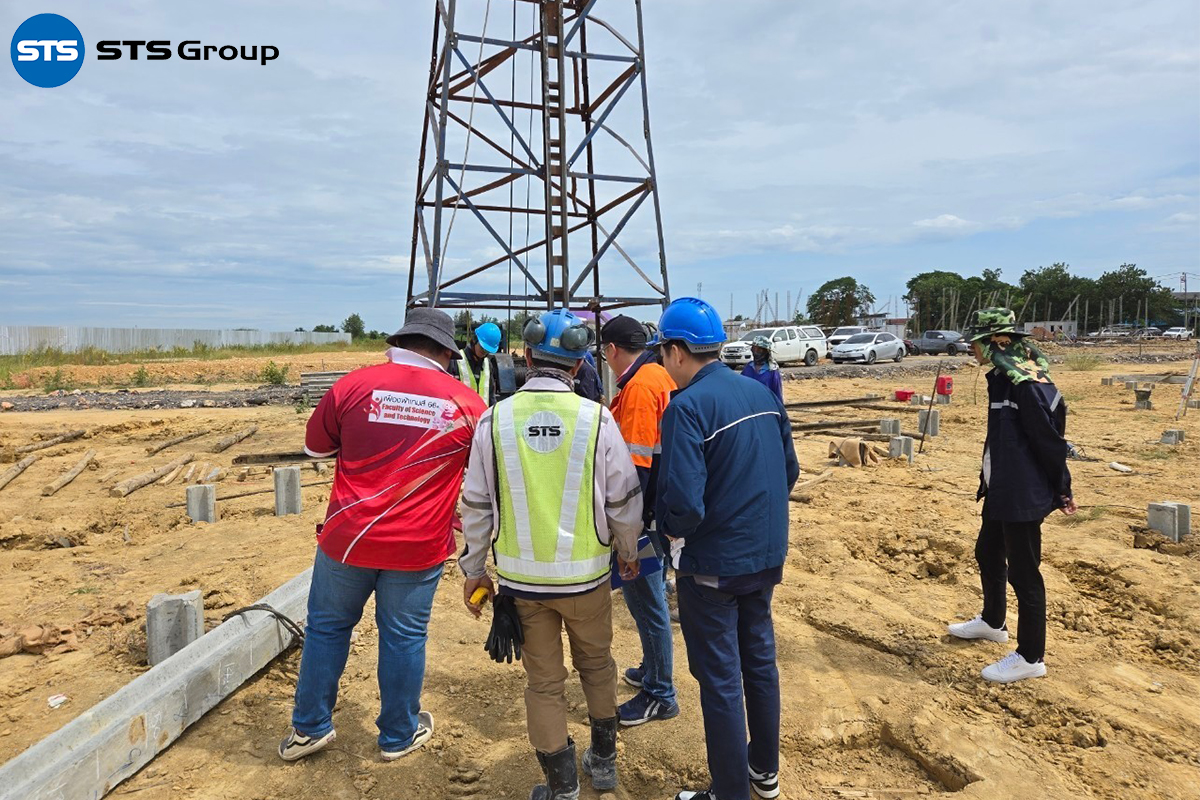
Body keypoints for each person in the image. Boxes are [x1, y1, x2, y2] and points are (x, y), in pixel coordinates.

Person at [279, 309, 488, 762]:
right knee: (404, 637)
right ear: (444, 353)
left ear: (400, 342)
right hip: (418, 545)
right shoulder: (467, 404)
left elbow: (316, 448)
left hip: (348, 538)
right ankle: (397, 735)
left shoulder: (352, 386)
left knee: (327, 629)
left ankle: (309, 728)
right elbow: (481, 480)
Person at [459, 307, 644, 800]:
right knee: (597, 666)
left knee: (544, 684)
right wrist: (628, 551)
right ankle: (603, 763)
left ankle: (562, 788)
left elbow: (475, 506)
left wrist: (473, 570)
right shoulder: (597, 419)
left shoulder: (494, 421)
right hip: (587, 581)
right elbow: (624, 501)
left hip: (523, 587)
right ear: (580, 365)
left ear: (525, 356)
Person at [655, 298, 800, 800]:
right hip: (764, 556)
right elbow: (789, 471)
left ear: (677, 351)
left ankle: (730, 791)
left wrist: (667, 533)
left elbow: (683, 503)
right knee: (758, 663)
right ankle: (764, 772)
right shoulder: (760, 392)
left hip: (713, 566)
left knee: (719, 678)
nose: (663, 362)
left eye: (662, 352)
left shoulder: (687, 407)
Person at [948, 308, 1076, 683]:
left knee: (1024, 574)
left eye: (976, 343)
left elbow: (1050, 441)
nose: (971, 349)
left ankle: (1030, 657)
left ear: (996, 344)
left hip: (1021, 494)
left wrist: (1062, 488)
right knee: (987, 551)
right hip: (1001, 487)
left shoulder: (1026, 386)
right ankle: (993, 622)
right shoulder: (1003, 381)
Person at [599, 315, 680, 727]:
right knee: (650, 600)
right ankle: (652, 669)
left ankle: (660, 693)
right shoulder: (656, 375)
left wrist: (629, 534)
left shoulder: (639, 389)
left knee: (647, 605)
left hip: (645, 518)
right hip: (662, 511)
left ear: (612, 350)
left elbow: (635, 472)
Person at [452, 321, 503, 404]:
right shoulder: (456, 360)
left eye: (487, 350)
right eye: (482, 347)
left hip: (483, 412)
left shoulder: (487, 364)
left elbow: (490, 395)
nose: (484, 352)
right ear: (475, 340)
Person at [740, 336, 783, 402]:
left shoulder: (772, 371)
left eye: (759, 349)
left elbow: (777, 395)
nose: (755, 351)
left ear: (766, 352)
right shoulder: (748, 367)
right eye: (754, 348)